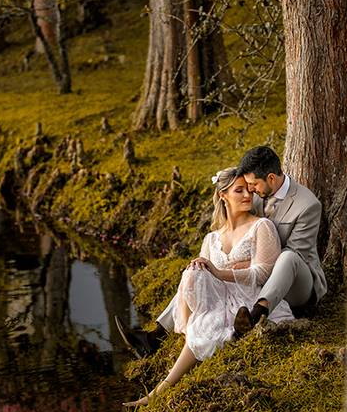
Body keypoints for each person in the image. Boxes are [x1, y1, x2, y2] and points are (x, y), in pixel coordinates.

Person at [115, 145, 326, 357]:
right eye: (246, 186)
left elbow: (294, 253)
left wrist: (251, 262)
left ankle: (257, 315)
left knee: (288, 257)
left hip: (297, 286)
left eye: (252, 185)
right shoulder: (256, 192)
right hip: (258, 276)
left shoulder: (307, 205)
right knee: (199, 271)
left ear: (271, 178)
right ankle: (155, 336)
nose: (250, 192)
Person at [122, 168, 294, 406]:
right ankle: (158, 387)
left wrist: (220, 270)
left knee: (209, 303)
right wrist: (208, 268)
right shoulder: (211, 239)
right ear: (223, 195)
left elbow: (265, 272)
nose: (248, 195)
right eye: (239, 190)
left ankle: (157, 387)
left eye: (249, 190)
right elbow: (204, 277)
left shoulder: (261, 226)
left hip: (250, 296)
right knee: (195, 276)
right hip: (218, 299)